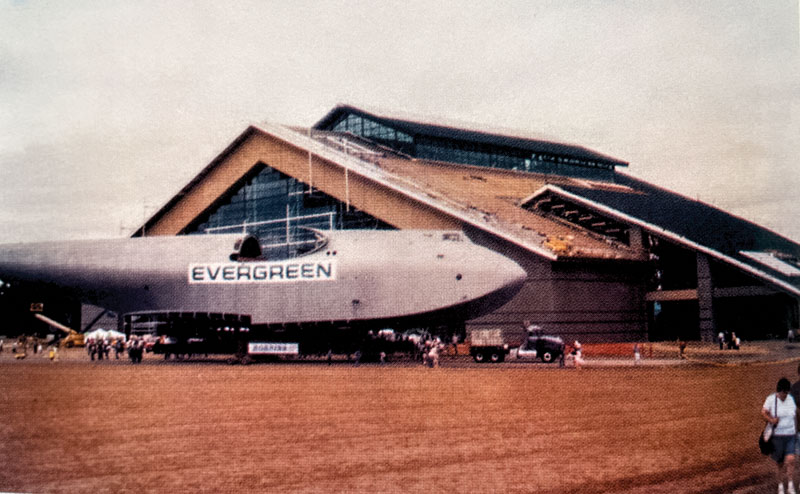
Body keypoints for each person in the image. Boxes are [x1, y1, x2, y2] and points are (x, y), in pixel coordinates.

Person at [762, 377, 798, 494]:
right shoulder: (771, 399)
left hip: (790, 434)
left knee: (791, 460)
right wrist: (772, 420)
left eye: (787, 392)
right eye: (785, 393)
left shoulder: (790, 399)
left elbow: (795, 414)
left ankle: (791, 484)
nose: (786, 395)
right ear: (780, 391)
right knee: (780, 463)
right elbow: (763, 412)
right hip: (778, 436)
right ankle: (781, 485)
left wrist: (796, 429)